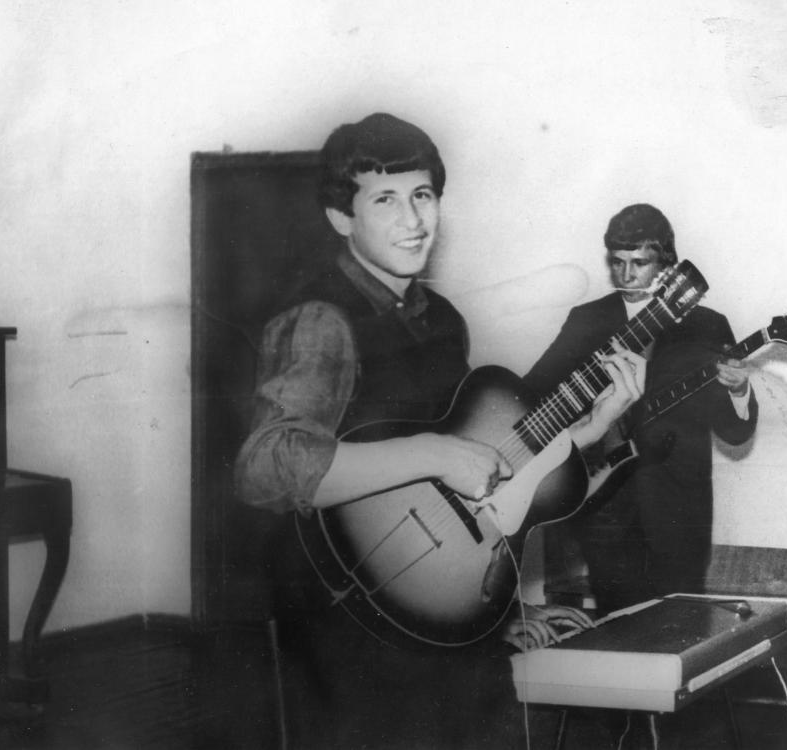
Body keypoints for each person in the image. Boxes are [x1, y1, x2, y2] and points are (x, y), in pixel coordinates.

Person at [233, 113, 646, 750]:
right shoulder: (322, 318)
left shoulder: (441, 319)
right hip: (349, 639)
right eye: (385, 199)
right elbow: (266, 466)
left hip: (433, 631)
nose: (413, 220)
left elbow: (476, 474)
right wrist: (432, 452)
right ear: (342, 217)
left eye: (422, 195)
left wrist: (586, 433)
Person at [525, 203, 758, 616]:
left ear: (666, 264)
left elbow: (734, 432)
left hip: (680, 510)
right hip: (606, 510)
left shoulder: (708, 325)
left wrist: (739, 389)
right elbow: (533, 396)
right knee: (618, 631)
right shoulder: (587, 320)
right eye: (617, 262)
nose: (626, 275)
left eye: (639, 263)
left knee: (684, 628)